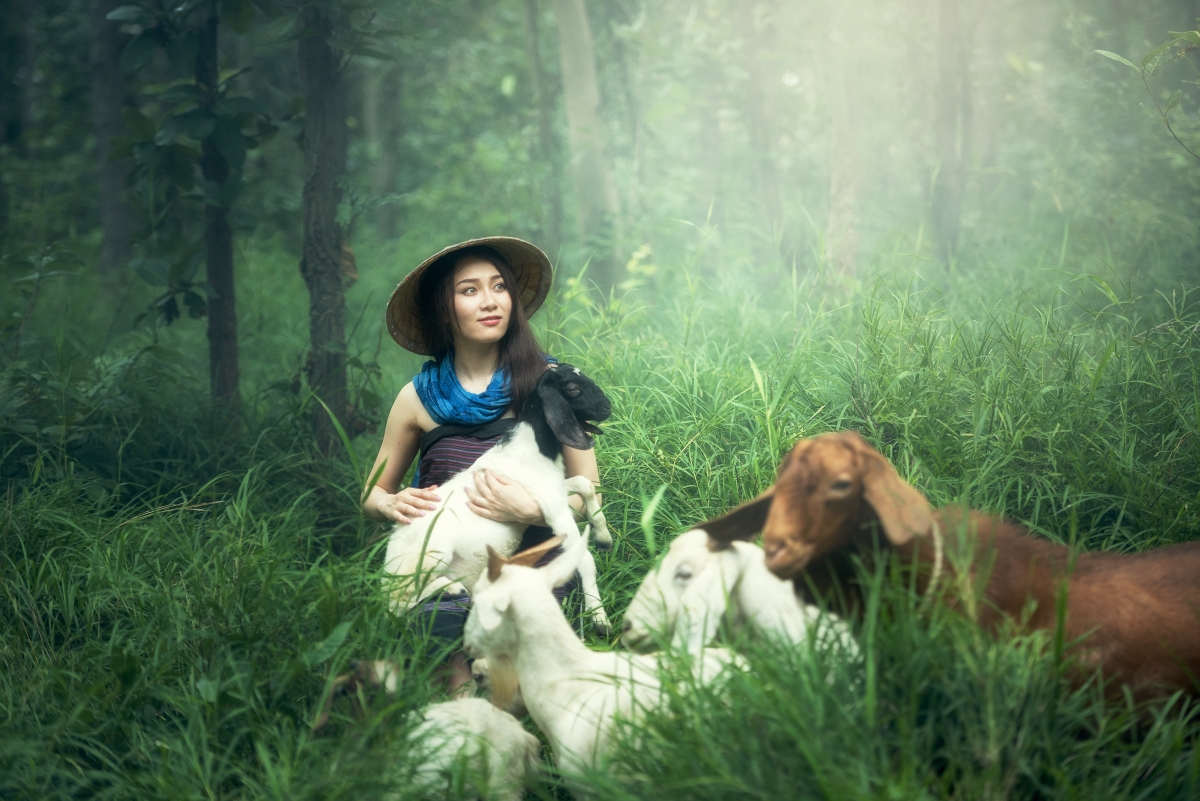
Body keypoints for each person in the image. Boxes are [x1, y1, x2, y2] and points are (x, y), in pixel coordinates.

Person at [362, 237, 600, 697]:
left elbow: (589, 491)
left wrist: (531, 511)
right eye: (469, 290)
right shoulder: (416, 399)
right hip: (448, 569)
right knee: (461, 691)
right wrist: (389, 503)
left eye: (499, 286)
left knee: (520, 701)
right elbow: (371, 495)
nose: (489, 301)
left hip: (535, 567)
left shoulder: (551, 385)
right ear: (444, 310)